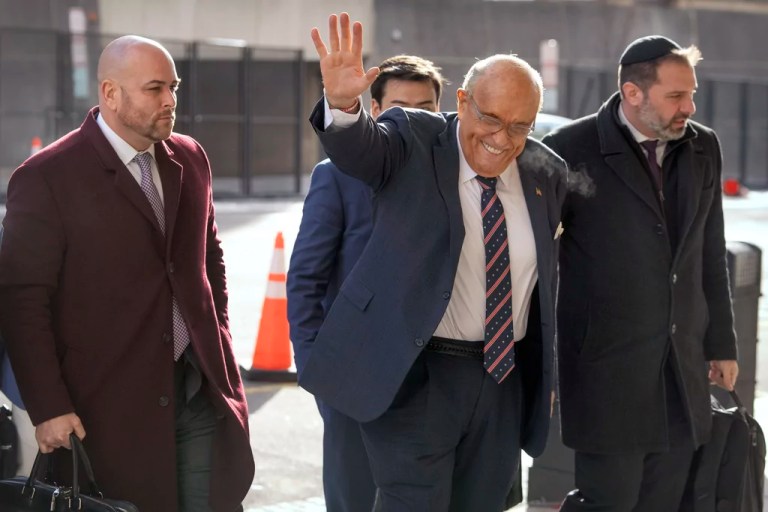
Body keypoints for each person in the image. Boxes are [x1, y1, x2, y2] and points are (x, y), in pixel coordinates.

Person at [302, 13, 567, 511]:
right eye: (490, 118)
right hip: (416, 375)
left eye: (520, 126)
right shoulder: (414, 137)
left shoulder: (545, 172)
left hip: (502, 381)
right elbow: (361, 151)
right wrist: (342, 104)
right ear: (463, 102)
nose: (502, 138)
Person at [0, 35, 254, 512]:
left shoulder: (190, 156)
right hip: (106, 405)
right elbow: (22, 301)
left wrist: (216, 334)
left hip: (199, 386)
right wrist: (49, 406)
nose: (170, 101)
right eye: (155, 88)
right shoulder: (45, 177)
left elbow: (208, 256)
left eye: (174, 87)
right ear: (110, 94)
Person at [542, 35, 739, 511]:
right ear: (633, 93)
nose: (689, 106)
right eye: (676, 96)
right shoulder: (568, 148)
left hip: (682, 366)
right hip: (605, 370)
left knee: (665, 502)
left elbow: (708, 251)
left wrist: (721, 345)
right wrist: (541, 365)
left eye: (691, 94)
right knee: (608, 501)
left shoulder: (702, 147)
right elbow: (539, 266)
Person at [287, 55, 444, 512]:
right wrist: (317, 366)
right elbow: (305, 279)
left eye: (427, 108)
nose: (416, 119)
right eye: (401, 107)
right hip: (352, 378)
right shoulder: (336, 176)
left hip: (435, 379)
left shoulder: (455, 176)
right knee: (354, 497)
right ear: (375, 110)